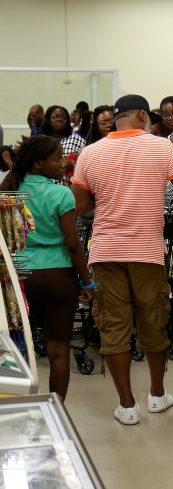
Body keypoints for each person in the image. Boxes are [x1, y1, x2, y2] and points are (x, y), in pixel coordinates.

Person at [71, 94, 173, 425]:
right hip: (148, 254)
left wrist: (107, 204)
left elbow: (78, 207)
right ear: (141, 115)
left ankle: (126, 406)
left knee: (114, 327)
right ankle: (156, 395)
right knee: (153, 322)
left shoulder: (90, 154)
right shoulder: (161, 147)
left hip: (106, 253)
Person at [0, 135, 93, 401]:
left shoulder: (9, 191)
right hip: (58, 277)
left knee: (17, 349)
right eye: (57, 158)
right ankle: (56, 408)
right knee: (59, 350)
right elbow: (74, 245)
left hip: (19, 278)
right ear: (39, 163)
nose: (63, 162)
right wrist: (87, 282)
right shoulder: (61, 193)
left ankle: (19, 402)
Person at [40, 105, 86, 184]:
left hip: (69, 186)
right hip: (45, 186)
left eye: (64, 118)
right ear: (48, 119)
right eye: (55, 117)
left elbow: (85, 163)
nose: (60, 120)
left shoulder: (76, 139)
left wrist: (72, 164)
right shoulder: (41, 141)